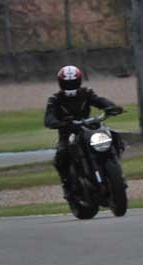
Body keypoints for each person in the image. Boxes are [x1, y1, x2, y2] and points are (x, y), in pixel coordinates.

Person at [44, 65, 123, 199]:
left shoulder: (86, 93)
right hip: (68, 133)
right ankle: (67, 186)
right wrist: (60, 123)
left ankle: (114, 162)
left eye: (73, 83)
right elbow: (49, 118)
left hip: (88, 128)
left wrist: (111, 107)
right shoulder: (55, 100)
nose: (70, 86)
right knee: (61, 156)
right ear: (61, 83)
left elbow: (99, 100)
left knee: (112, 135)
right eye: (67, 83)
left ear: (79, 81)